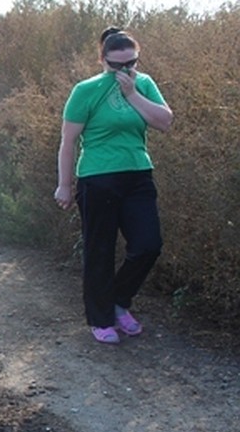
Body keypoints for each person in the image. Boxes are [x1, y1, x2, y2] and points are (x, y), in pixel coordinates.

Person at [55, 27, 174, 344]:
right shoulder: (86, 90)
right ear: (103, 60)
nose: (125, 70)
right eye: (117, 65)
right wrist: (64, 185)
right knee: (100, 252)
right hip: (97, 178)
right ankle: (100, 318)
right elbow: (68, 142)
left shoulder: (144, 83)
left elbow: (164, 122)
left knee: (148, 245)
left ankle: (119, 302)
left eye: (130, 63)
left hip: (138, 175)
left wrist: (133, 94)